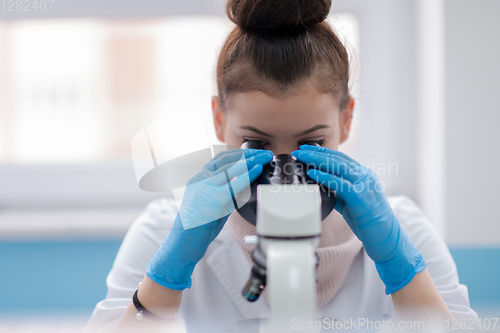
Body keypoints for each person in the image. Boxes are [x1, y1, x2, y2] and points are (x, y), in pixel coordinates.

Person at [85, 0, 477, 332]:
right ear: (218, 120)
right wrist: (165, 277)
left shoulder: (403, 230)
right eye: (256, 144)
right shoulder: (161, 233)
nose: (284, 174)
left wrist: (398, 265)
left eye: (311, 144)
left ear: (346, 120)